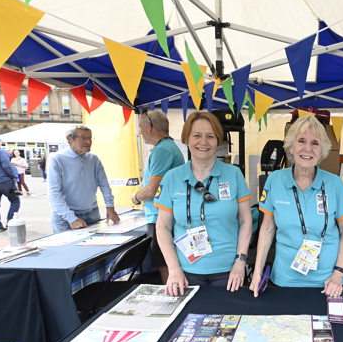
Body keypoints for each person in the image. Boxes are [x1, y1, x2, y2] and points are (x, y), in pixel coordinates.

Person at [249, 115, 343, 297]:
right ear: (290, 146)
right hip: (284, 280)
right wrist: (257, 272)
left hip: (329, 283)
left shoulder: (335, 184)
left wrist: (338, 273)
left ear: (322, 151)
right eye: (301, 141)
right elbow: (267, 228)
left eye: (315, 143)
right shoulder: (275, 180)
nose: (308, 149)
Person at [155, 111, 252, 294]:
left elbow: (246, 221)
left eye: (210, 136)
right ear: (186, 139)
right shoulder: (172, 178)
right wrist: (174, 269)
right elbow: (162, 227)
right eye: (197, 135)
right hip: (186, 272)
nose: (203, 142)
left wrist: (240, 262)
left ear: (218, 140)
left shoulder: (234, 174)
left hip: (229, 272)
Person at [130, 110, 184, 283]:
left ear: (149, 127)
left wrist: (136, 196)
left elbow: (152, 190)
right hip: (164, 214)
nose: (140, 131)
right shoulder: (167, 147)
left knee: (165, 264)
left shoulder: (163, 150)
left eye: (140, 127)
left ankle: (173, 298)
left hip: (161, 216)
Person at [48, 125, 120, 233]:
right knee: (67, 249)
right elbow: (53, 193)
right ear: (69, 139)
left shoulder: (93, 159)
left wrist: (110, 207)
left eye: (90, 138)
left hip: (92, 213)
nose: (88, 142)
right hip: (65, 217)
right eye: (83, 138)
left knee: (97, 248)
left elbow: (104, 185)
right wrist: (71, 218)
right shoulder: (57, 159)